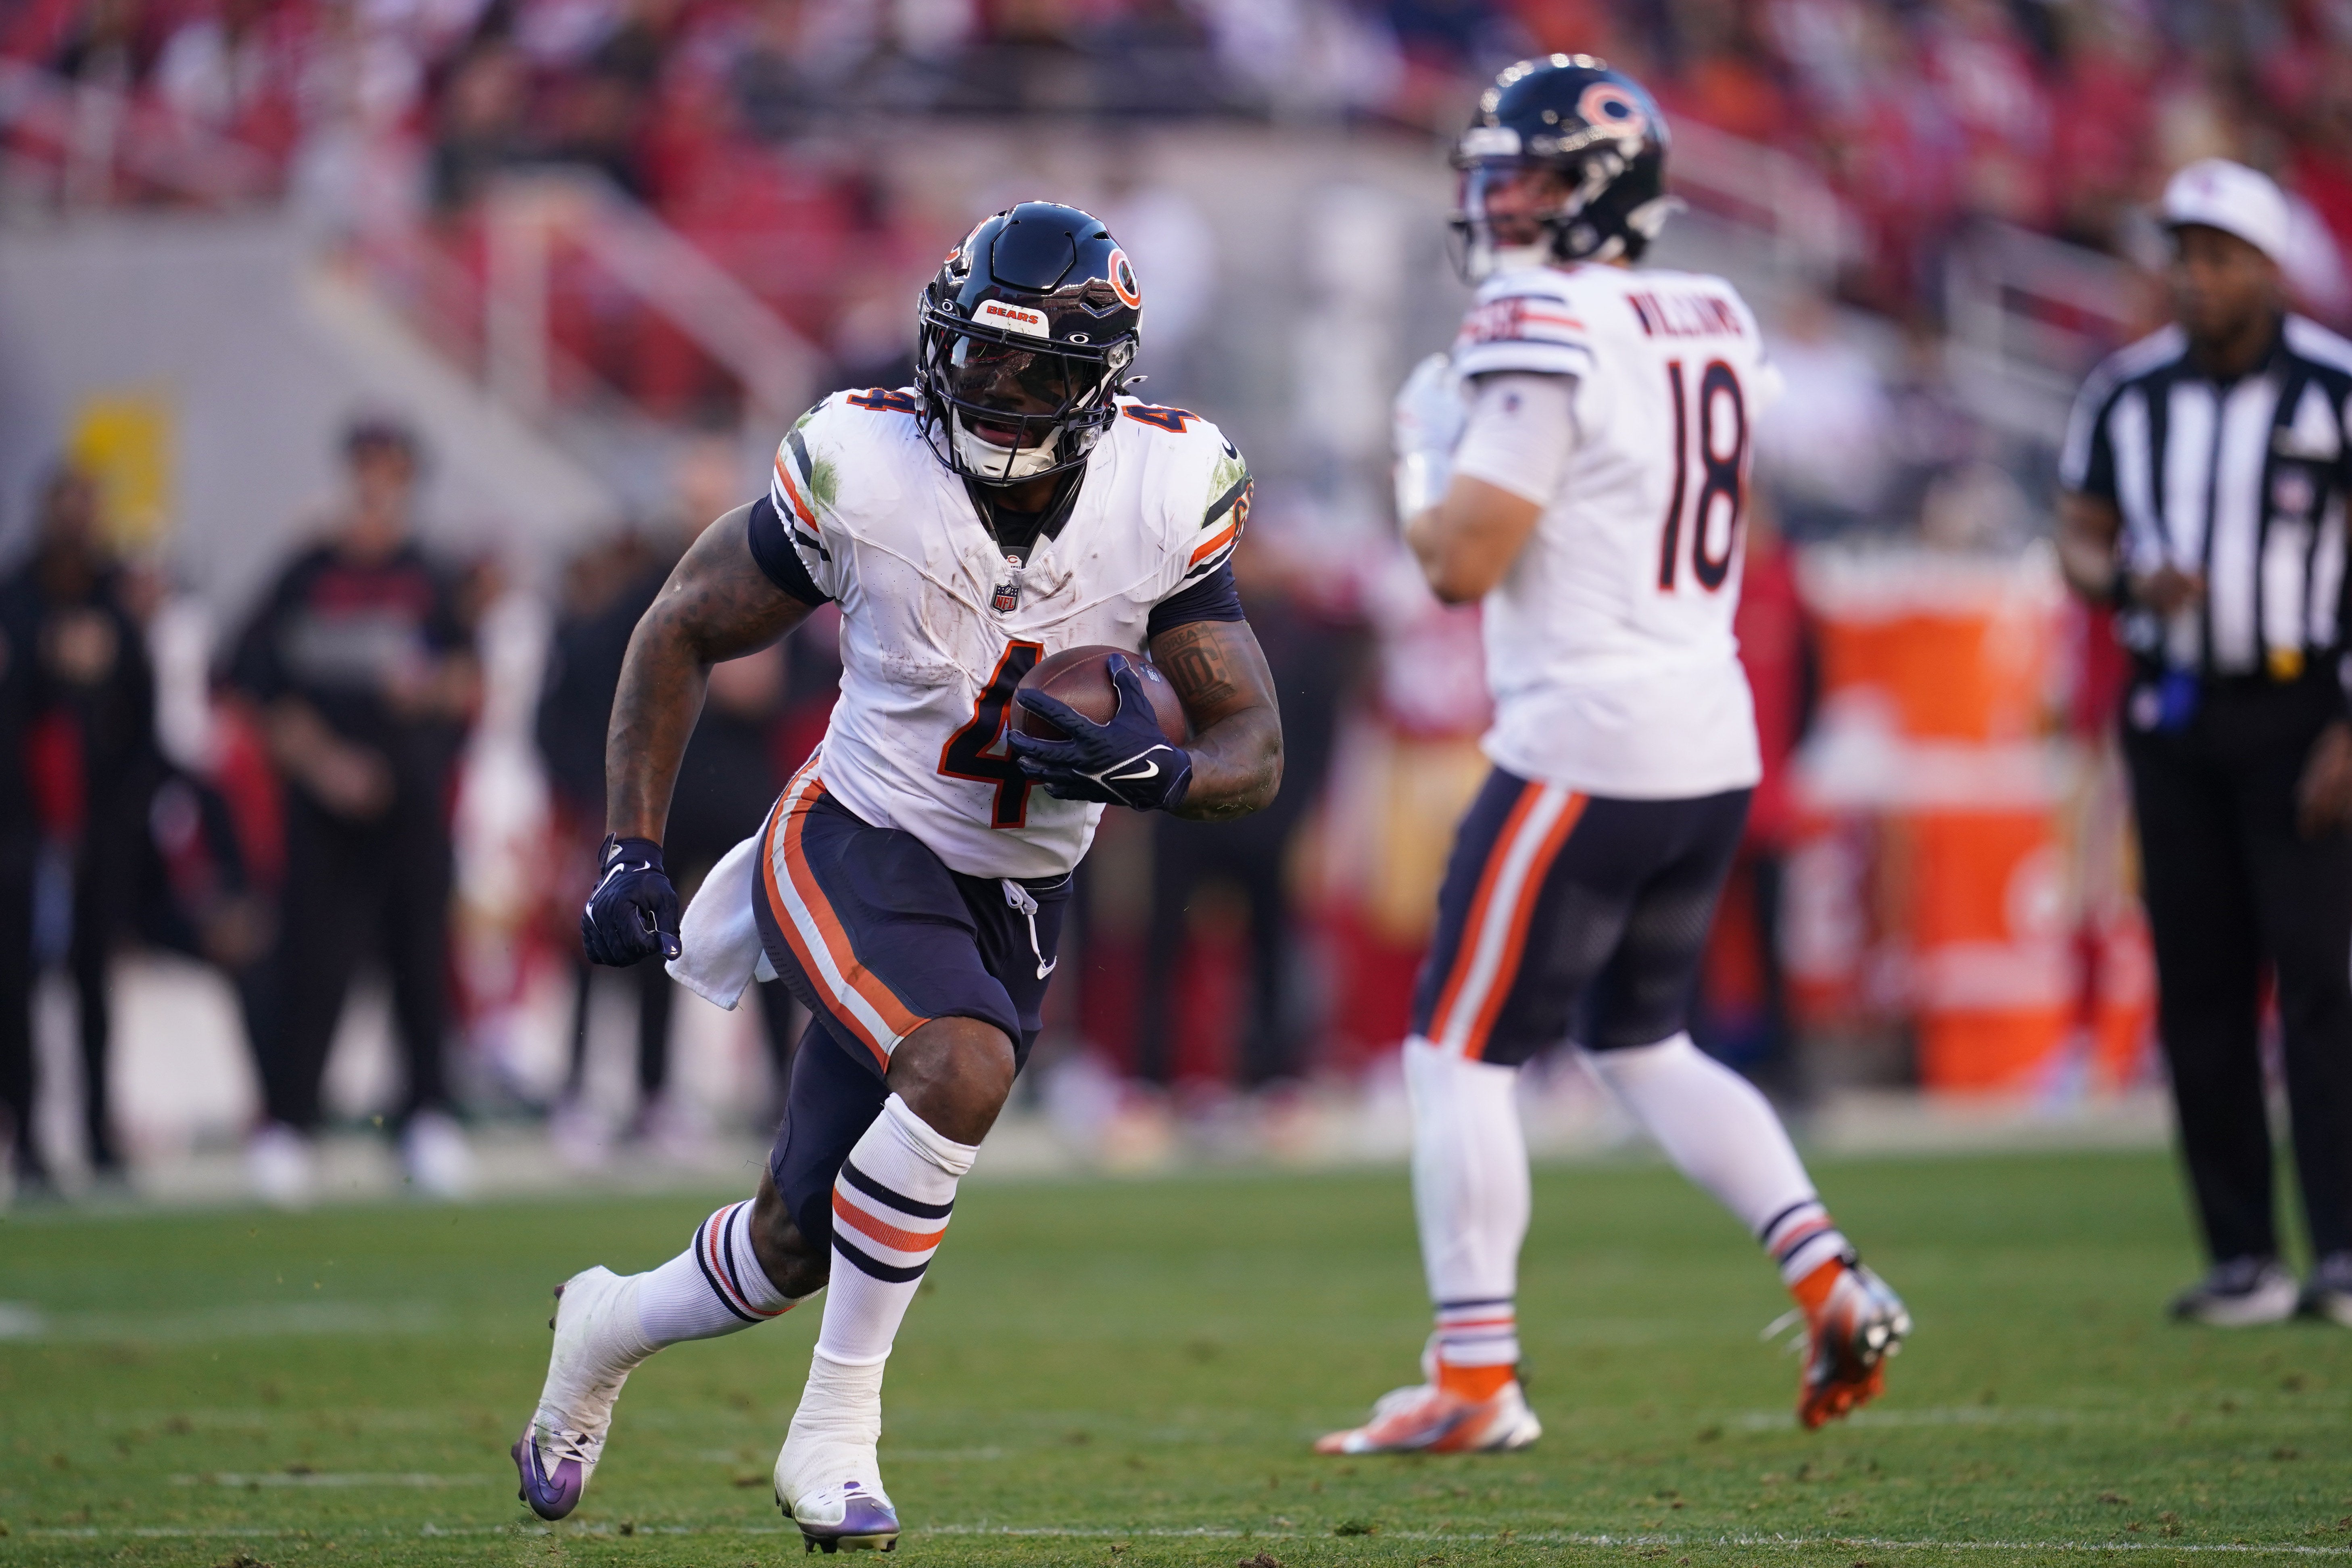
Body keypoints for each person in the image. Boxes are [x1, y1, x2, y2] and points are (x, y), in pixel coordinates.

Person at [509, 202, 1284, 1550]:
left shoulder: (1166, 491)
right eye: (977, 354)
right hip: (856, 831)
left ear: (1098, 382)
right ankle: (835, 1436)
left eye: (1034, 369)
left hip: (1013, 888)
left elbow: (1253, 743)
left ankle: (604, 1323)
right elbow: (682, 626)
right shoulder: (863, 462)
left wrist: (1152, 776)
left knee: (793, 1243)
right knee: (962, 1066)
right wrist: (631, 841)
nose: (992, 387)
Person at [1317, 55, 1910, 1456]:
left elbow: (1462, 563)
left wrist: (1420, 453)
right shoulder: (1711, 309)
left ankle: (1475, 1374)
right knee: (1639, 1038)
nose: (1497, 199)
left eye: (1528, 175)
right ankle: (1832, 1277)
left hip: (1587, 738)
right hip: (1705, 738)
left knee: (1456, 1049)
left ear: (1605, 192)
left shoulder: (1539, 318)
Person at [2056, 158, 2352, 1328]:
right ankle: (2242, 1254)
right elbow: (2077, 534)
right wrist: (2122, 574)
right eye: (2182, 254)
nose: (2196, 277)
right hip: (2175, 712)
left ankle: (2342, 1248)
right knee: (2200, 989)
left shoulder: (2335, 388)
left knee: (2322, 985)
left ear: (2270, 269)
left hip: (2303, 712)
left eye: (2219, 256)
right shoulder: (2127, 396)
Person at [226, 417, 481, 1204]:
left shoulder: (430, 577)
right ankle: (290, 1126)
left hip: (410, 809)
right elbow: (250, 682)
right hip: (323, 813)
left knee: (420, 968)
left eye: (391, 470)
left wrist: (430, 689)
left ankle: (426, 1119)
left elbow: (469, 681)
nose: (376, 485)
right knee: (313, 970)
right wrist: (323, 764)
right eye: (365, 468)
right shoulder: (304, 574)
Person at [6, 467, 160, 1179]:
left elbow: (141, 717)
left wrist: (126, 814)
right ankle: (30, 1137)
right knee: (18, 987)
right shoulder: (19, 601)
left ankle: (98, 1132)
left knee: (94, 987)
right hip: (24, 826)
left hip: (98, 830)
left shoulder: (114, 605)